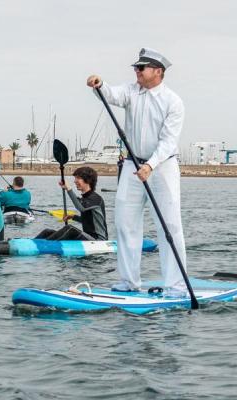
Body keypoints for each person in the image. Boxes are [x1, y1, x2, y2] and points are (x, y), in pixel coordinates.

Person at [87, 47, 187, 296]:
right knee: (125, 222)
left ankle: (176, 285)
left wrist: (150, 165)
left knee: (170, 225)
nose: (137, 72)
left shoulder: (173, 102)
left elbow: (168, 141)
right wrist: (99, 85)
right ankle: (129, 282)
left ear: (158, 72)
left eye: (141, 68)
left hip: (162, 167)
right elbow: (111, 95)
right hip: (132, 164)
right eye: (135, 68)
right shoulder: (132, 91)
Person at [36, 167, 107, 241]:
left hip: (98, 240)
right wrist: (73, 217)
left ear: (88, 180)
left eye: (78, 178)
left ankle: (45, 246)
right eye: (75, 178)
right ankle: (30, 244)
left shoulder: (96, 198)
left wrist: (68, 188)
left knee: (69, 228)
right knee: (47, 232)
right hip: (88, 238)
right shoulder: (85, 199)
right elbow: (89, 222)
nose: (75, 181)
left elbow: (81, 208)